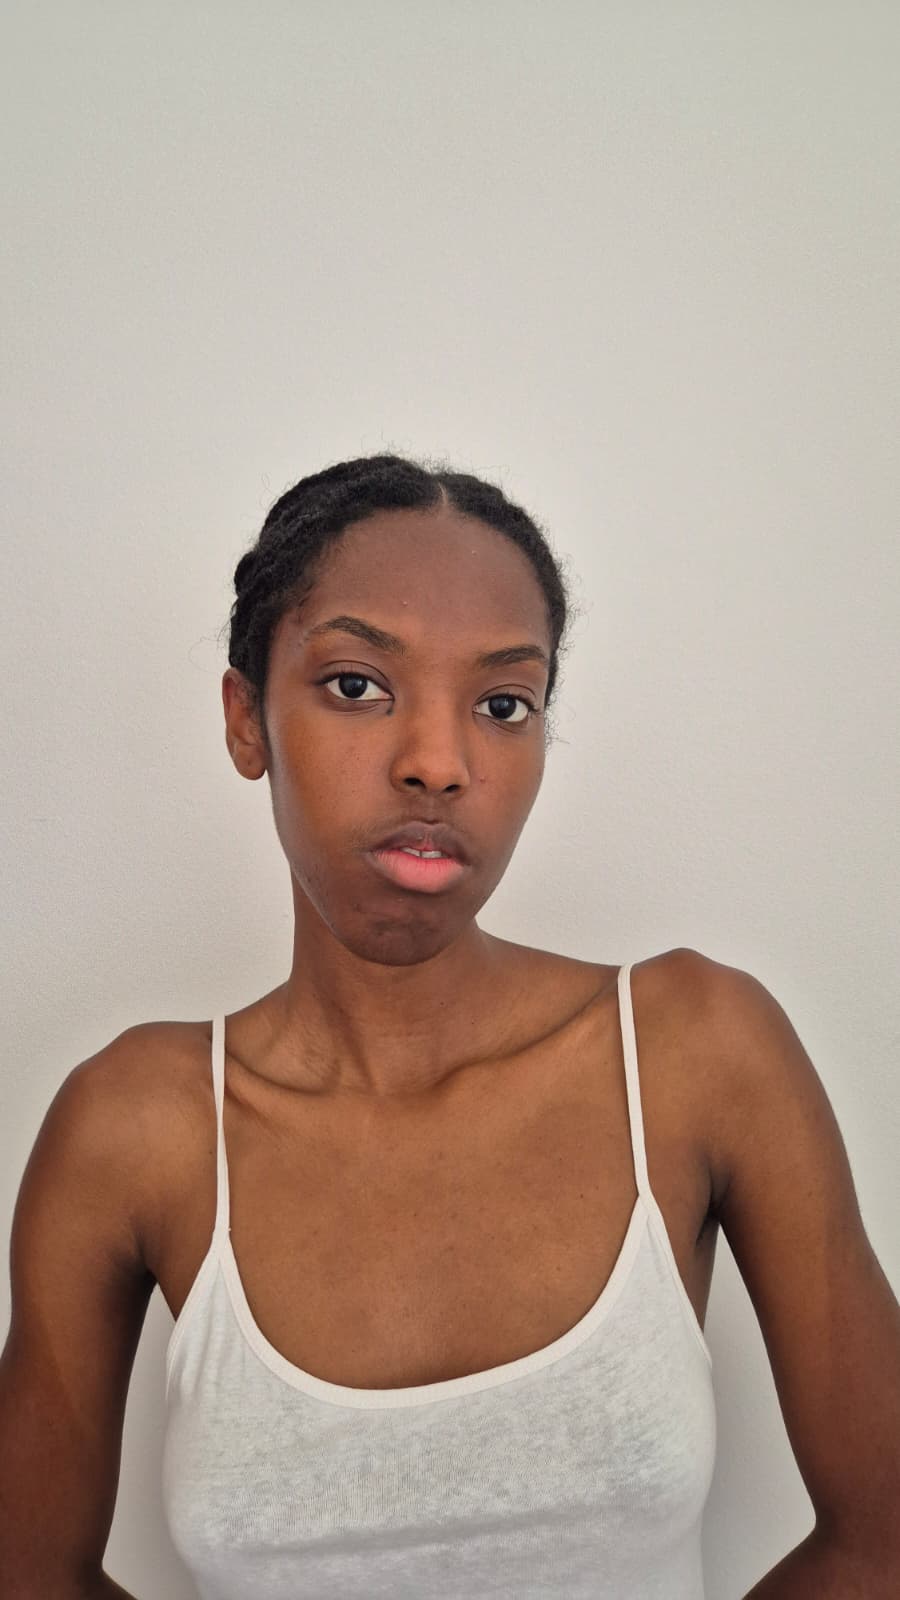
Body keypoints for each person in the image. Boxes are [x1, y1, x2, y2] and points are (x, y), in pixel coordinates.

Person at [4, 454, 898, 1599]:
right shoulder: (138, 1128)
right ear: (245, 720)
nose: (438, 762)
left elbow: (884, 1538)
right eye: (356, 685)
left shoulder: (695, 1051)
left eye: (502, 704)